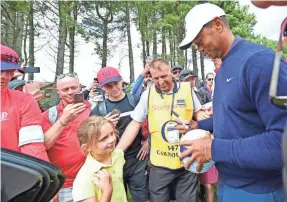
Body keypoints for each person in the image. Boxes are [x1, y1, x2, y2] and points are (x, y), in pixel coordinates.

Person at [178, 3, 287, 202]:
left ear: (218, 24)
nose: (199, 48)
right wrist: (198, 125)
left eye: (199, 40)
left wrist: (212, 149)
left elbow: (282, 142)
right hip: (229, 183)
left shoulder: (258, 62)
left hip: (260, 191)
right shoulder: (224, 68)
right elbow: (233, 114)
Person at [116, 58, 206, 202]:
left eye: (164, 76)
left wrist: (198, 127)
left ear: (171, 72)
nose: (161, 81)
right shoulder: (148, 94)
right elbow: (135, 124)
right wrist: (117, 151)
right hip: (159, 164)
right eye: (156, 78)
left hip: (186, 160)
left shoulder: (187, 89)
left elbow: (200, 115)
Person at [90, 67, 149, 202]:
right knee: (117, 198)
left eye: (116, 83)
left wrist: (148, 141)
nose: (114, 88)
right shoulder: (99, 110)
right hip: (113, 161)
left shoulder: (135, 100)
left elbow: (153, 120)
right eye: (108, 86)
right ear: (102, 87)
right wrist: (103, 126)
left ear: (122, 80)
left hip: (137, 158)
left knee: (143, 197)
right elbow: (91, 137)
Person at [41, 73, 91, 202]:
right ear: (58, 92)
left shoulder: (94, 109)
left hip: (90, 180)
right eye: (65, 89)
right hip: (61, 184)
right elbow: (44, 145)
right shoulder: (49, 115)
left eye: (73, 88)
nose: (70, 92)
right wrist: (63, 120)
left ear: (80, 87)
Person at [0, 44, 49, 162]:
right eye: (1, 70)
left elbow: (32, 145)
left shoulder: (24, 101)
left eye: (10, 71)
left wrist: (38, 175)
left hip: (12, 172)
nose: (5, 76)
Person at [72, 116, 127, 202]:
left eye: (112, 133)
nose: (112, 139)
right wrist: (107, 191)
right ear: (87, 147)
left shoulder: (117, 156)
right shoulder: (84, 179)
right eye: (104, 139)